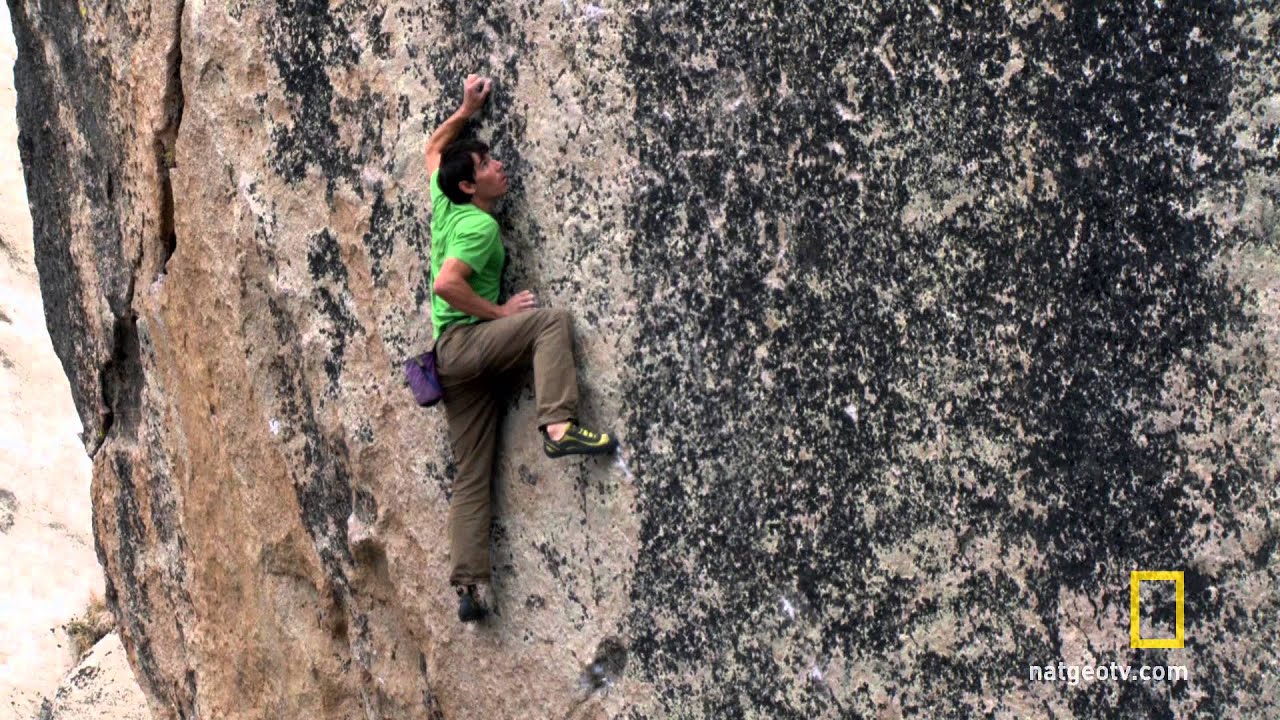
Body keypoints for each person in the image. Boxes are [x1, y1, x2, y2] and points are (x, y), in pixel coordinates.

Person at [424, 74, 619, 623]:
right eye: (486, 166)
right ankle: (558, 426)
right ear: (469, 187)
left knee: (471, 472)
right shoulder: (479, 230)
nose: (497, 167)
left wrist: (465, 110)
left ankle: (468, 588)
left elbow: (433, 149)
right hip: (468, 342)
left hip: (452, 359)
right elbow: (447, 285)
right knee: (548, 323)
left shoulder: (445, 204)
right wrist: (503, 312)